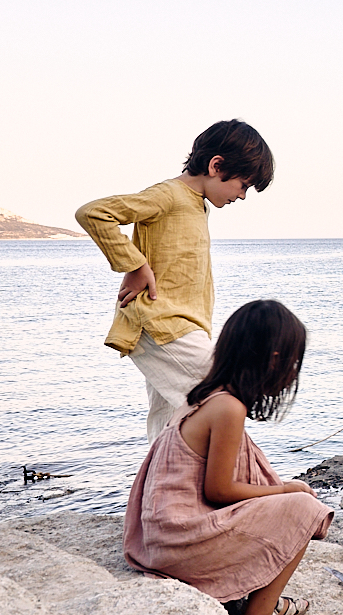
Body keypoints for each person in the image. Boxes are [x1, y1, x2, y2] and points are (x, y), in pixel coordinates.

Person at [123, 299, 331, 615]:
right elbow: (218, 490)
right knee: (306, 509)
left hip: (163, 539)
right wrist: (285, 490)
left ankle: (256, 590)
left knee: (288, 501)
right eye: (292, 362)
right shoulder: (228, 408)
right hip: (179, 545)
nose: (292, 373)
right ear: (273, 359)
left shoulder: (203, 397)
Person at [75, 120, 275, 441]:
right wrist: (135, 265)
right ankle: (239, 483)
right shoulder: (168, 196)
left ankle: (161, 486)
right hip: (161, 324)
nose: (243, 195)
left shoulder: (198, 206)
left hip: (183, 326)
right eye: (243, 184)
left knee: (170, 427)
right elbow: (94, 212)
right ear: (216, 165)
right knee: (225, 394)